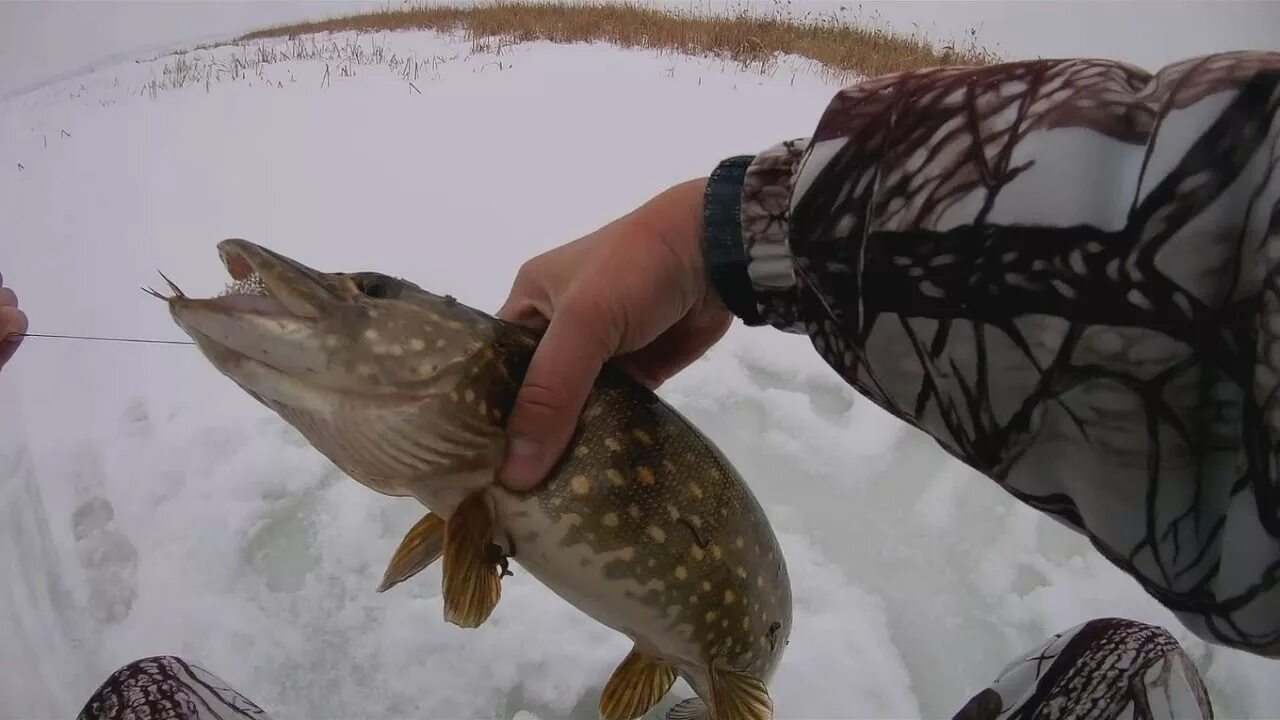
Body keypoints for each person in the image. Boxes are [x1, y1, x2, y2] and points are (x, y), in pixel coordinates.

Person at [25, 47, 1280, 719]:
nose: (337, 300)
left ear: (445, 339)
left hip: (734, 646)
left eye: (365, 291)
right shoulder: (472, 431)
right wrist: (724, 235)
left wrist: (741, 233)